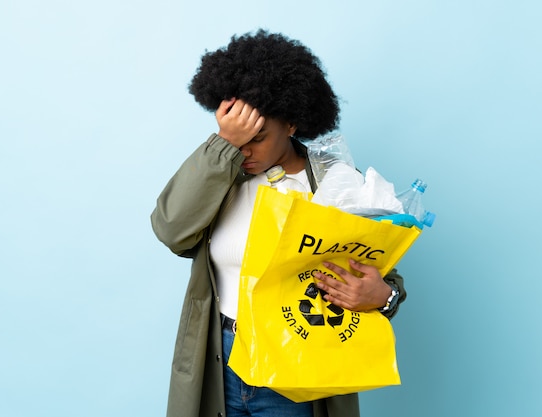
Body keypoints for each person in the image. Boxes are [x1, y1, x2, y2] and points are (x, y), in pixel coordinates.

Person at [151, 29, 406, 417]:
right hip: (221, 361)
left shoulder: (336, 183)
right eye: (235, 137)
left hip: (294, 368)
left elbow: (384, 276)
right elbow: (171, 229)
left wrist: (382, 298)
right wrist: (223, 145)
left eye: (256, 137)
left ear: (291, 124)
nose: (244, 151)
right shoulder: (222, 177)